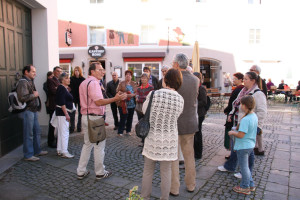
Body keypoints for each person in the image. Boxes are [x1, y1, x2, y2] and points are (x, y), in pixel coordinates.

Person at [76, 62, 127, 180]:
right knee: (99, 146)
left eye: (103, 70)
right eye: (99, 70)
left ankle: (81, 171)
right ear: (92, 72)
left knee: (87, 144)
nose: (102, 72)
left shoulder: (84, 82)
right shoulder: (93, 83)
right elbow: (98, 101)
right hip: (94, 118)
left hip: (86, 116)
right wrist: (115, 98)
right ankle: (100, 172)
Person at [141, 69, 184, 200]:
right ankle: (164, 198)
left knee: (148, 171)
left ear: (165, 80)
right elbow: (177, 116)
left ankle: (144, 197)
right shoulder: (180, 99)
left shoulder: (154, 94)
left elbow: (144, 111)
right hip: (170, 139)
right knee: (166, 172)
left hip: (152, 137)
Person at [218, 72, 267, 178]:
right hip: (239, 123)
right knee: (237, 146)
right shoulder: (243, 91)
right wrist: (231, 114)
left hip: (249, 127)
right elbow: (236, 104)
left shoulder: (258, 94)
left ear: (253, 81)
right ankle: (230, 166)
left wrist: (255, 127)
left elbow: (262, 112)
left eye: (246, 79)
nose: (243, 80)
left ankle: (246, 172)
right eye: (243, 79)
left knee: (248, 150)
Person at [170, 53, 199, 195]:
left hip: (175, 123)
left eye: (172, 62)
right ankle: (191, 185)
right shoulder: (195, 80)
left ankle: (174, 188)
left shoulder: (174, 80)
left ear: (176, 64)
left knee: (174, 158)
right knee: (189, 156)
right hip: (190, 121)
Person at [17, 65, 48, 161]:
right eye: (33, 71)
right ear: (26, 72)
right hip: (27, 111)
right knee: (29, 133)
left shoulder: (29, 81)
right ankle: (28, 155)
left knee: (36, 131)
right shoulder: (23, 82)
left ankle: (37, 150)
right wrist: (34, 95)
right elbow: (22, 97)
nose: (35, 73)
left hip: (33, 110)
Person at [228, 95, 258, 195]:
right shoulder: (253, 116)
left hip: (243, 146)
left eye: (241, 104)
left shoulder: (246, 119)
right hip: (250, 145)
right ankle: (251, 184)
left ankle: (245, 187)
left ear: (244, 106)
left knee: (244, 167)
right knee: (246, 167)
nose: (240, 106)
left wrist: (232, 133)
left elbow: (241, 135)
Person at [223, 72, 244, 159]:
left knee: (232, 134)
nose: (233, 80)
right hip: (233, 113)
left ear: (240, 80)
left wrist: (228, 111)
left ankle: (233, 153)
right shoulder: (239, 89)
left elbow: (233, 103)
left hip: (234, 115)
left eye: (235, 79)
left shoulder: (239, 89)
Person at [55, 73, 74, 158]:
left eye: (69, 78)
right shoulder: (62, 88)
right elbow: (62, 102)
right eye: (66, 78)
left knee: (61, 132)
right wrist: (66, 114)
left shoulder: (63, 88)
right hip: (63, 113)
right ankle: (64, 151)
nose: (69, 79)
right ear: (62, 80)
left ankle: (59, 149)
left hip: (61, 113)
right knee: (64, 132)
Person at [116, 70, 137, 136]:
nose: (128, 76)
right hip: (123, 104)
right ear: (125, 76)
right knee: (123, 118)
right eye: (127, 75)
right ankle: (120, 132)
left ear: (131, 76)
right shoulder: (121, 83)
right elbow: (117, 91)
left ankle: (128, 131)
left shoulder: (134, 83)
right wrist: (126, 94)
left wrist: (132, 95)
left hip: (132, 104)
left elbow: (136, 92)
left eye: (129, 75)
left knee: (130, 118)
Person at [136, 73, 154, 147]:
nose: (143, 79)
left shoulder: (151, 88)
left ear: (148, 79)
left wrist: (141, 98)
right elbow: (137, 98)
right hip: (139, 109)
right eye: (142, 78)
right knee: (141, 124)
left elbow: (149, 98)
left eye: (145, 78)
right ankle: (143, 140)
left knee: (147, 124)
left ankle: (148, 141)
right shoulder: (138, 88)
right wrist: (143, 98)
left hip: (147, 109)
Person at [47, 66, 62, 148]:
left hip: (59, 105)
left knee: (58, 125)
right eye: (57, 71)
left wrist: (59, 88)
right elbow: (53, 91)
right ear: (54, 72)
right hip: (53, 105)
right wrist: (60, 89)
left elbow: (68, 89)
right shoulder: (50, 80)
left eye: (60, 71)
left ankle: (57, 141)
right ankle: (50, 141)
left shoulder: (60, 80)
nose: (59, 73)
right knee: (52, 124)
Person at [193, 72, 207, 159]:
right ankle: (195, 151)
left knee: (198, 133)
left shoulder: (201, 88)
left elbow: (204, 101)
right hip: (195, 113)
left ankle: (198, 153)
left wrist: (194, 103)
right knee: (195, 133)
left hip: (199, 113)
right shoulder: (194, 88)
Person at [69, 66, 85, 133]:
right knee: (72, 113)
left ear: (80, 71)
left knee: (80, 113)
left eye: (77, 70)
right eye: (75, 70)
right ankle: (72, 127)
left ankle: (79, 127)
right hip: (73, 98)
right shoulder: (71, 79)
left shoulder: (82, 79)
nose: (76, 72)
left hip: (80, 98)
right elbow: (68, 87)